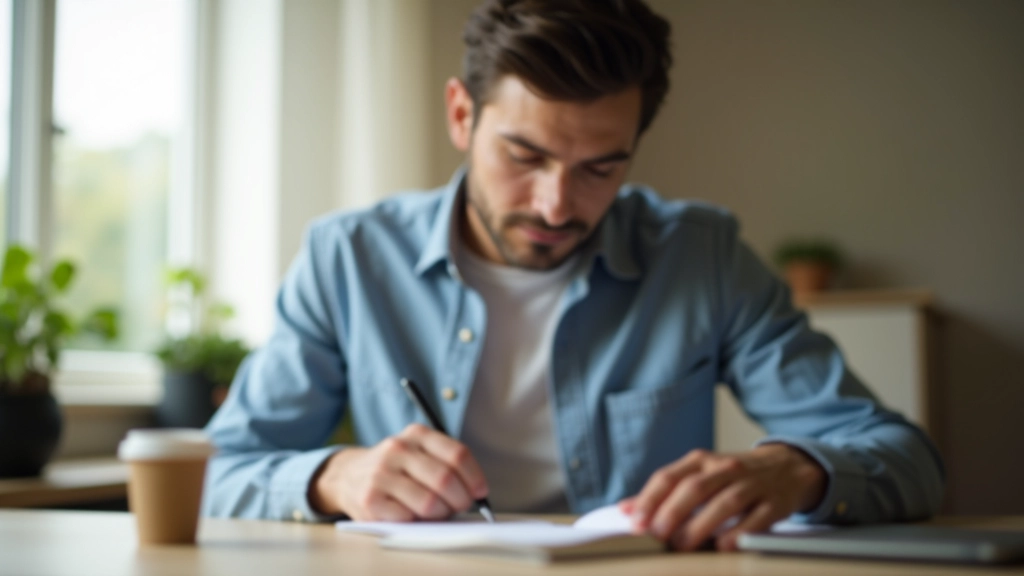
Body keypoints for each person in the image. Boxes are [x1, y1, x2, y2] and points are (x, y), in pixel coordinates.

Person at [202, 0, 944, 552]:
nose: (556, 205)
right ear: (461, 116)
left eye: (601, 167)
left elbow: (904, 455)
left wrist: (797, 472)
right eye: (524, 156)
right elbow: (217, 472)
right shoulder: (349, 259)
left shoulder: (701, 256)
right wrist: (335, 477)